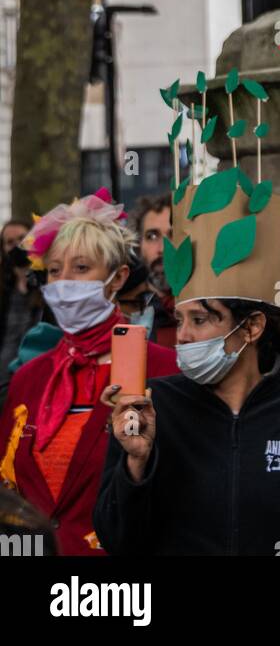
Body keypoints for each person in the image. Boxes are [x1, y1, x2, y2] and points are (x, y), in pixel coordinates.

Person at [94, 184, 280, 556]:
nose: (183, 336)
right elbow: (116, 539)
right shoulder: (152, 407)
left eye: (201, 320)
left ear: (252, 327)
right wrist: (136, 462)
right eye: (179, 320)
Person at [0, 189, 176, 554]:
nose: (64, 282)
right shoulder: (30, 378)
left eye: (81, 268)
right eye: (53, 270)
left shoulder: (162, 369)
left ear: (116, 278)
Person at [0, 234, 45, 408]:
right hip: (4, 375)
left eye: (21, 239)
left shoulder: (45, 290)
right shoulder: (5, 289)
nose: (16, 246)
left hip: (31, 378)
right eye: (9, 242)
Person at [132, 193, 177, 346]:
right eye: (152, 236)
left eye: (174, 234)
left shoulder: (212, 307)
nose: (163, 248)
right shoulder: (126, 313)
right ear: (139, 246)